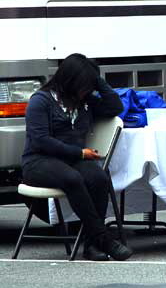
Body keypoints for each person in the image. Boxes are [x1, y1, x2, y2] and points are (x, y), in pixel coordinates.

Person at [22, 53, 133, 261]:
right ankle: (103, 239)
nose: (87, 91)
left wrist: (97, 80)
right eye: (85, 85)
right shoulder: (41, 101)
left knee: (99, 178)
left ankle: (91, 246)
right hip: (39, 161)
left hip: (72, 160)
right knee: (73, 179)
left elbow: (116, 107)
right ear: (70, 81)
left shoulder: (86, 101)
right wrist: (79, 153)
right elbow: (40, 140)